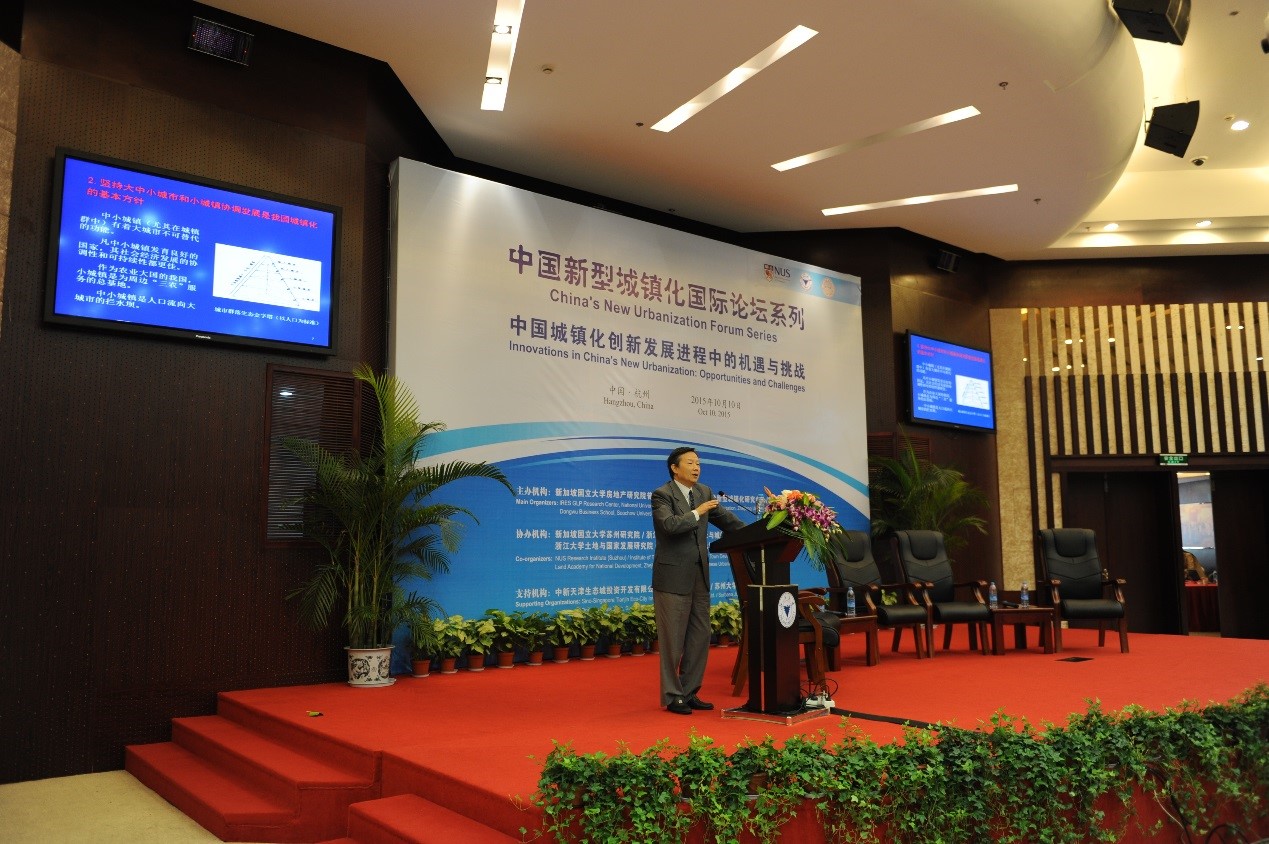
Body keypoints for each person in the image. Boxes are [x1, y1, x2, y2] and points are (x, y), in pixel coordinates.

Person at [651, 446, 746, 715]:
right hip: (672, 577)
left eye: (698, 464)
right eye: (690, 463)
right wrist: (696, 512)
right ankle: (673, 696)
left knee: (699, 637)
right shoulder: (662, 495)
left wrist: (763, 529)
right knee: (673, 640)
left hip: (699, 576)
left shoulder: (704, 492)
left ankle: (690, 691)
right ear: (674, 468)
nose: (696, 468)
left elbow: (728, 521)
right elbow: (669, 526)